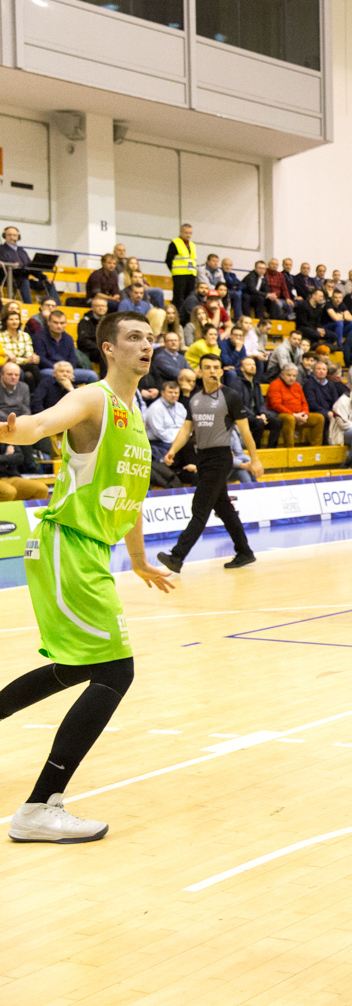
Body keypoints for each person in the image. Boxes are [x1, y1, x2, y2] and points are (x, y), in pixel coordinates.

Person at [0, 310, 174, 842]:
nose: (147, 346)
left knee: (77, 667)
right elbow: (42, 422)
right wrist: (17, 429)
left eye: (151, 339)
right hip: (65, 547)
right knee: (116, 671)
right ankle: (38, 809)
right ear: (108, 350)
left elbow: (131, 498)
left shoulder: (136, 411)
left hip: (89, 551)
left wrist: (139, 559)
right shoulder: (93, 398)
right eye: (135, 338)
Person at [156, 353, 264, 571]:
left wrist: (255, 459)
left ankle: (177, 557)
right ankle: (244, 551)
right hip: (202, 458)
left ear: (221, 371)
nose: (212, 371)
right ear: (200, 371)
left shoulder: (230, 396)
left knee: (200, 508)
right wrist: (172, 451)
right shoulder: (194, 399)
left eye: (216, 367)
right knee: (224, 508)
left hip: (220, 457)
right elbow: (187, 429)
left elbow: (245, 430)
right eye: (208, 367)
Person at [267, 364, 324, 447]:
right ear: (282, 375)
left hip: (299, 415)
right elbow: (276, 405)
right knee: (290, 419)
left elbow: (304, 402)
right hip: (282, 415)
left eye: (294, 376)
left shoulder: (297, 385)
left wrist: (305, 414)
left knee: (319, 418)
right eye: (289, 375)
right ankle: (290, 448)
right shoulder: (275, 385)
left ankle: (315, 448)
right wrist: (294, 415)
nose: (292, 378)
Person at [34, 310, 97, 384]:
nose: (59, 326)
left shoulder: (68, 338)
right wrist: (60, 371)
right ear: (49, 322)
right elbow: (41, 359)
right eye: (55, 323)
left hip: (67, 371)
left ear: (66, 324)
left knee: (92, 375)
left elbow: (72, 359)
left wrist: (68, 371)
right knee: (48, 374)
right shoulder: (39, 337)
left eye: (62, 323)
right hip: (50, 370)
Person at [0, 226, 54, 301]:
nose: (12, 237)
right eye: (9, 235)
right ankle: (28, 306)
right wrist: (12, 266)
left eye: (14, 235)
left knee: (47, 283)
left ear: (18, 237)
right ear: (4, 236)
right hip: (9, 279)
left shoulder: (22, 251)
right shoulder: (1, 250)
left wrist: (45, 278)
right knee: (24, 280)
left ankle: (57, 308)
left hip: (24, 278)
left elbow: (31, 267)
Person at [166, 223, 198, 311]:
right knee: (178, 298)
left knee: (190, 297)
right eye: (186, 233)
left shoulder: (192, 245)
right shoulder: (175, 243)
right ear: (181, 232)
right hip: (179, 275)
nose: (188, 235)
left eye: (190, 233)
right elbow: (168, 260)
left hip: (191, 275)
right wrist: (174, 271)